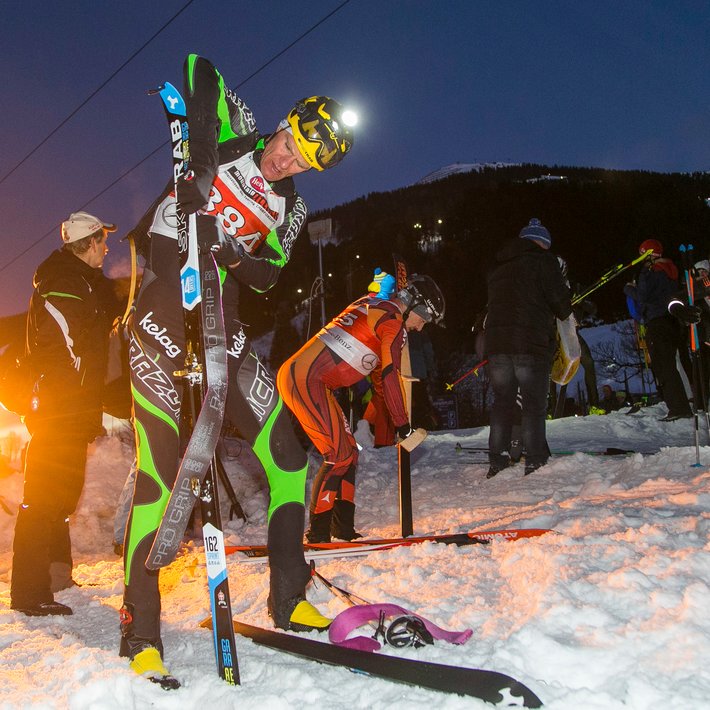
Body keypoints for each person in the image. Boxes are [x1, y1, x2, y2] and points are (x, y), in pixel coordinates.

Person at [119, 54, 354, 682]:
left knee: (285, 452)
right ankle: (140, 630)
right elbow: (201, 69)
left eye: (302, 162)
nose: (285, 162)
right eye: (288, 145)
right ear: (282, 125)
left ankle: (288, 597)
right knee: (162, 473)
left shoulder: (292, 211)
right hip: (160, 324)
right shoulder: (236, 132)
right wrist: (199, 157)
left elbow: (271, 273)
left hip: (223, 333)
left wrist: (228, 250)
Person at [277, 275, 445, 542]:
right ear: (414, 306)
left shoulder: (377, 304)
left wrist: (389, 423)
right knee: (339, 455)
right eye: (424, 318)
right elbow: (390, 376)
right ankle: (318, 535)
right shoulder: (393, 324)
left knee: (349, 454)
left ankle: (341, 529)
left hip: (306, 378)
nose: (421, 327)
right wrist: (402, 425)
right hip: (307, 381)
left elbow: (380, 379)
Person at [11, 211, 118, 616]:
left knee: (59, 498)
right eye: (102, 242)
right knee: (42, 500)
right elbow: (64, 347)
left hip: (72, 409)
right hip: (59, 408)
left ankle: (54, 576)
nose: (106, 249)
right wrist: (76, 394)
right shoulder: (62, 282)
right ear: (88, 242)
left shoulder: (81, 282)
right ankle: (28, 593)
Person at [485, 218, 572, 478]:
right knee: (533, 404)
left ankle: (497, 461)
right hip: (530, 343)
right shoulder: (544, 262)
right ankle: (534, 460)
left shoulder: (498, 268)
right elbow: (561, 305)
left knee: (502, 402)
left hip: (497, 345)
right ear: (542, 244)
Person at [624, 239, 691, 421]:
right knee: (671, 365)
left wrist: (629, 289)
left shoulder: (651, 271)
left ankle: (678, 408)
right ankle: (682, 405)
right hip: (672, 320)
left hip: (657, 321)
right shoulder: (669, 270)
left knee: (663, 365)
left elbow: (643, 296)